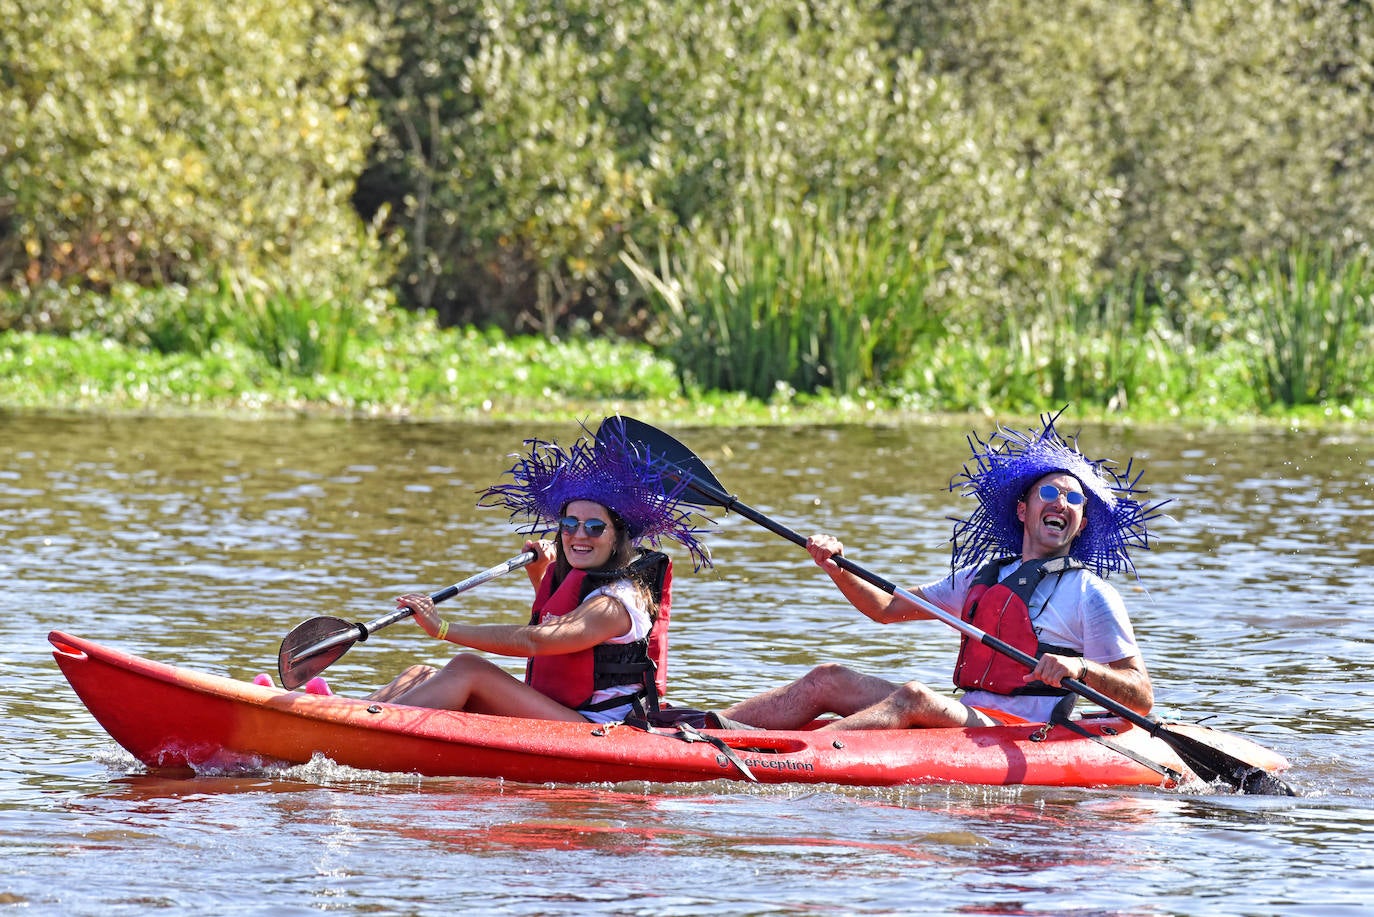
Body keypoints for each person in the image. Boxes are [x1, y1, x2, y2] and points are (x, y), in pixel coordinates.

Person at [715, 411, 1165, 731]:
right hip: (969, 711)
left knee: (914, 696)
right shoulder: (982, 578)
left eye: (1074, 500)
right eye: (1049, 491)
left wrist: (1079, 668)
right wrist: (833, 565)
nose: (1061, 503)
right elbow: (887, 608)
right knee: (828, 678)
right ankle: (704, 728)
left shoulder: (1091, 593)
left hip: (1024, 728)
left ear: (1081, 524)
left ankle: (780, 754)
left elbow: (1140, 695)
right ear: (1023, 510)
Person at [368, 420, 710, 723]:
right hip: (562, 710)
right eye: (569, 523)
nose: (578, 534)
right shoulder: (589, 582)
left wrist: (442, 627)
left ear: (618, 536)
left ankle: (363, 733)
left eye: (594, 527)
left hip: (596, 727)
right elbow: (558, 623)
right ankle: (334, 712)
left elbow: (538, 640)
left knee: (467, 668)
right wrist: (541, 575)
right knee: (420, 673)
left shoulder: (615, 603)